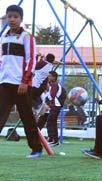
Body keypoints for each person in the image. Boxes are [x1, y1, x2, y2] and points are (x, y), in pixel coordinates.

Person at [0, 4, 43, 158]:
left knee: (27, 117)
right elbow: (1, 60)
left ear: (21, 19)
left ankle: (36, 149)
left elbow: (31, 60)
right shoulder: (3, 37)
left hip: (21, 85)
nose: (12, 19)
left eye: (15, 17)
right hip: (5, 83)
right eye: (9, 16)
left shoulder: (27, 37)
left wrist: (25, 81)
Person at [37, 71, 65, 146]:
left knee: (50, 121)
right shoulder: (52, 85)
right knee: (52, 122)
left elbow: (52, 96)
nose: (48, 77)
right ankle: (55, 140)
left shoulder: (54, 84)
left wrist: (46, 101)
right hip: (54, 106)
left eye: (49, 76)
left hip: (55, 106)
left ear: (54, 77)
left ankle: (52, 139)